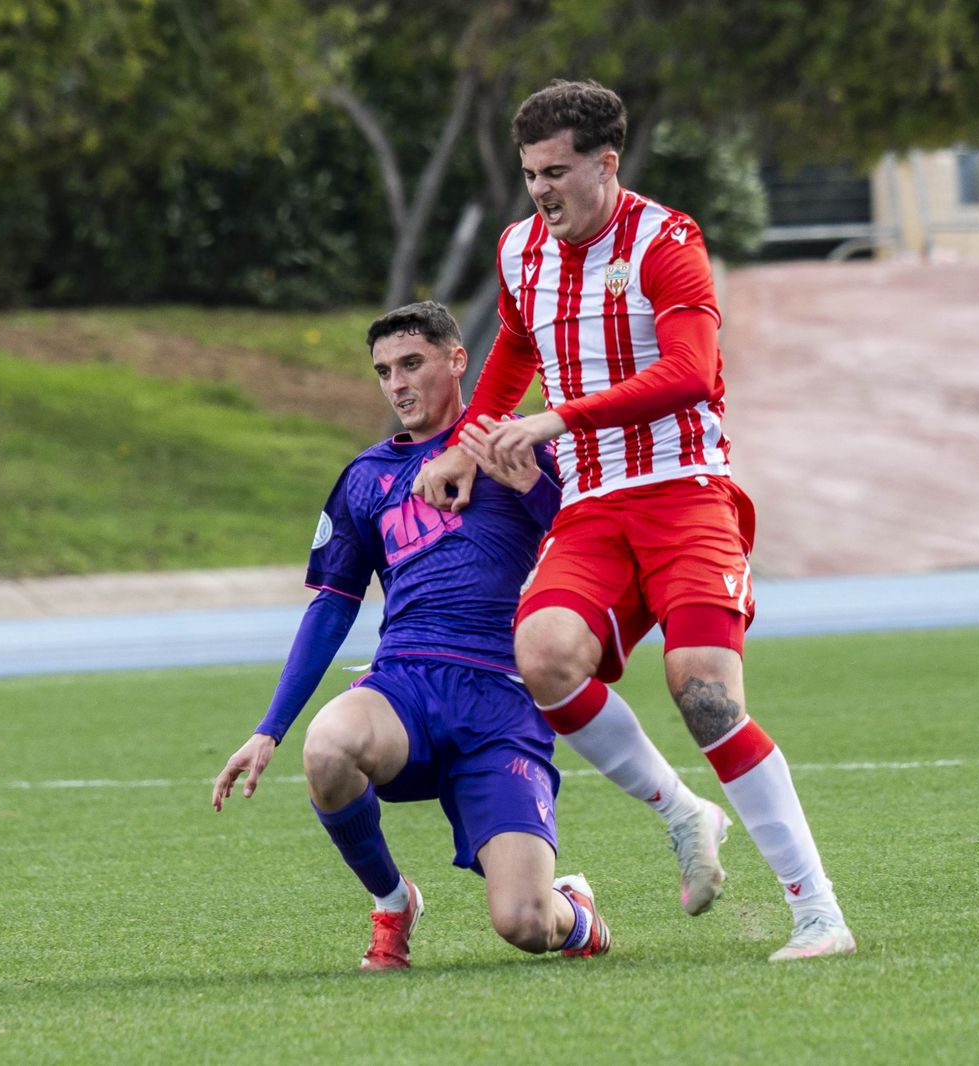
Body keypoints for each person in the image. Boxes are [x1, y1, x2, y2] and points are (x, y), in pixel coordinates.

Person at [414, 79, 855, 960]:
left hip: (685, 491)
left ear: (605, 164)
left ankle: (818, 914)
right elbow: (515, 349)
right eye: (530, 174)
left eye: (556, 173)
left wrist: (555, 420)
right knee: (543, 655)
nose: (540, 191)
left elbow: (689, 372)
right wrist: (467, 444)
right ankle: (684, 813)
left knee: (703, 691)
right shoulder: (520, 249)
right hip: (592, 507)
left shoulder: (667, 240)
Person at [212, 301, 625, 970]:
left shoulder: (521, 445)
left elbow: (594, 549)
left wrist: (533, 491)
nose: (397, 384)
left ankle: (572, 908)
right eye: (384, 372)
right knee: (328, 747)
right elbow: (332, 604)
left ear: (458, 361)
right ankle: (394, 902)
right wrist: (269, 729)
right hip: (406, 686)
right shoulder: (366, 478)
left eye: (411, 364)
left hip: (502, 700)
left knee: (524, 924)